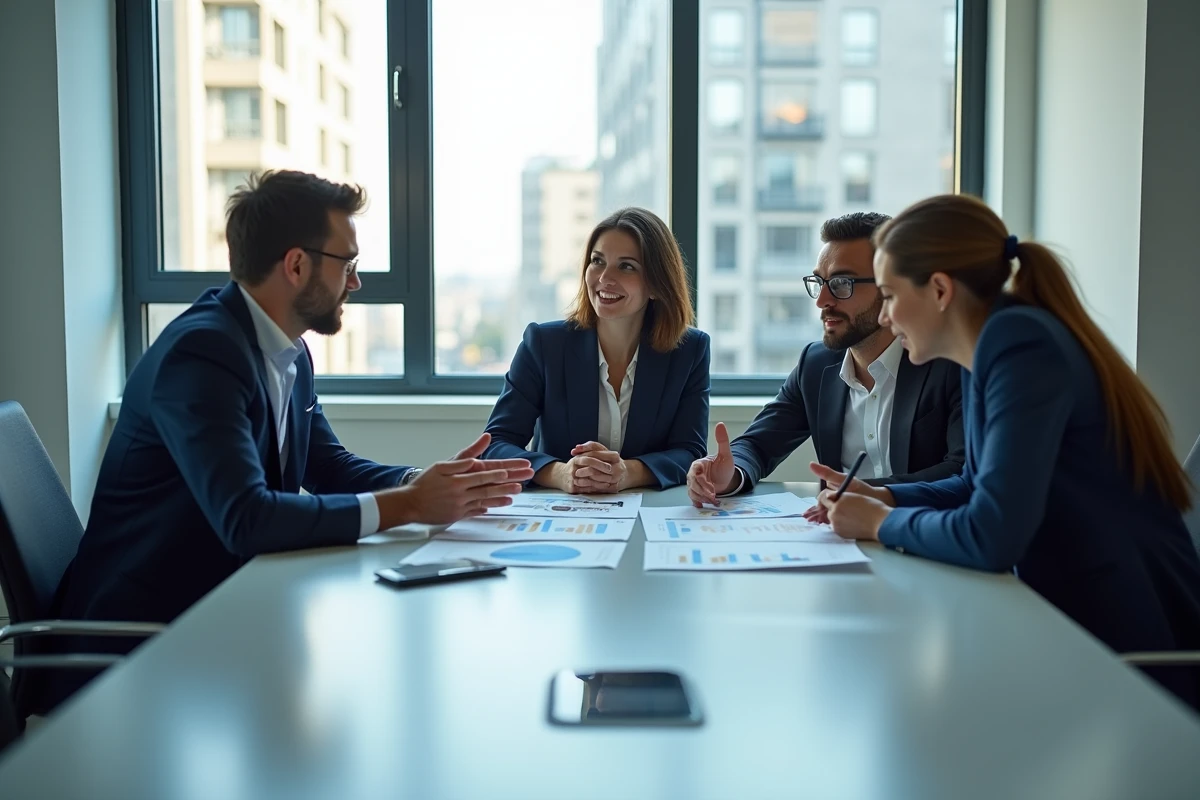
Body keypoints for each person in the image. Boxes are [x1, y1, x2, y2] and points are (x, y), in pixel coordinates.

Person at [36, 171, 533, 713]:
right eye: (348, 264)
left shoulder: (286, 349)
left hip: (220, 608)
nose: (357, 283)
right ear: (296, 265)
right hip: (143, 641)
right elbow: (246, 519)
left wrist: (421, 482)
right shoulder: (202, 353)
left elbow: (327, 464)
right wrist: (411, 506)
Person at [815, 193, 1200, 707]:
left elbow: (991, 534)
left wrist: (878, 525)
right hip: (1069, 622)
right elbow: (977, 484)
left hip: (1124, 647)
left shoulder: (1018, 344)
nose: (885, 317)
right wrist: (887, 499)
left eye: (888, 295)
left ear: (940, 290)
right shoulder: (992, 345)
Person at [687, 212, 964, 508]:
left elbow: (962, 470)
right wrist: (730, 475)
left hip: (922, 535)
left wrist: (869, 494)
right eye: (819, 282)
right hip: (837, 538)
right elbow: (758, 444)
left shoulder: (948, 363)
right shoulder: (816, 365)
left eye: (842, 283)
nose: (822, 301)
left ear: (889, 286)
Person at [484, 207, 710, 493]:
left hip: (646, 513)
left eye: (626, 266)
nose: (604, 278)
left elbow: (690, 451)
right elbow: (494, 446)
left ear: (656, 284)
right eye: (597, 261)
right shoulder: (543, 344)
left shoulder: (689, 350)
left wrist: (628, 472)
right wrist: (561, 474)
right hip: (556, 514)